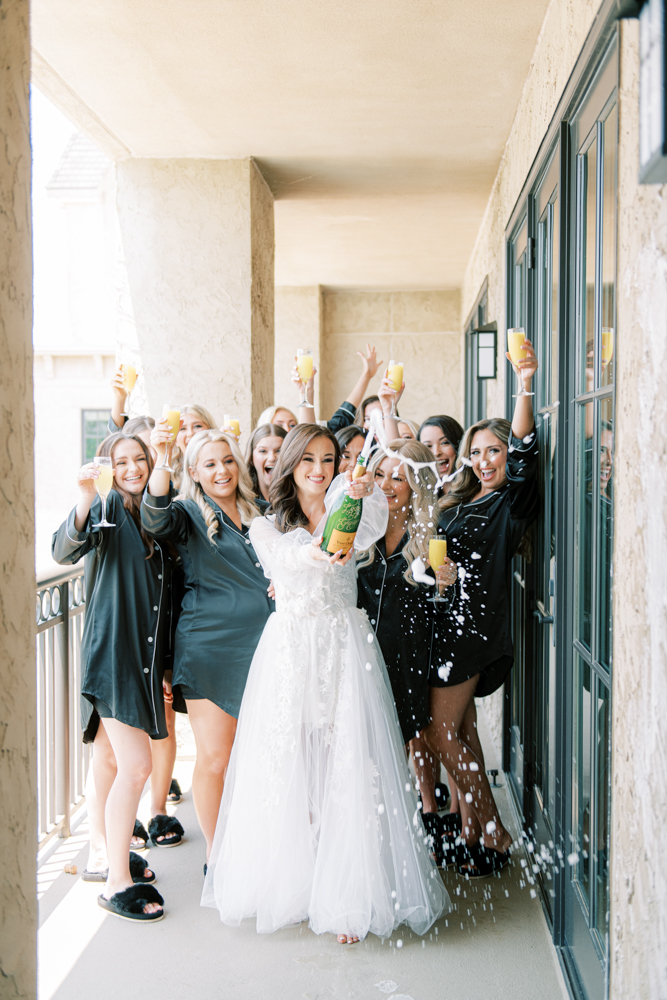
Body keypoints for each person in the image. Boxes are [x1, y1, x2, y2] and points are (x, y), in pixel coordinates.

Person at [202, 424, 450, 943]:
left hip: (344, 646)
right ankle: (302, 879)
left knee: (348, 762)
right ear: (290, 465)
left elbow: (372, 524)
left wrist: (364, 494)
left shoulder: (350, 504)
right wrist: (312, 554)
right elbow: (286, 557)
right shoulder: (266, 524)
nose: (319, 468)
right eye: (308, 459)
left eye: (328, 458)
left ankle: (347, 895)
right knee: (296, 758)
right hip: (291, 650)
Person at [424, 339, 539, 878]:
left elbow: (524, 455)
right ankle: (473, 832)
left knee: (441, 732)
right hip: (444, 621)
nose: (485, 460)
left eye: (494, 451)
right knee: (461, 730)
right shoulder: (461, 494)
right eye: (479, 452)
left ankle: (494, 831)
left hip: (472, 629)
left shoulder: (509, 503)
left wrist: (524, 384)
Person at [52, 432, 172, 923]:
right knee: (137, 766)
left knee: (107, 756)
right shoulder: (103, 510)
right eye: (120, 461)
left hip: (143, 658)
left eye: (137, 459)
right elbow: (63, 550)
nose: (129, 468)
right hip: (112, 655)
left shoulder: (160, 513)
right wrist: (84, 496)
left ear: (150, 462)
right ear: (110, 466)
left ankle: (107, 851)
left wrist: (165, 662)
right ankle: (116, 881)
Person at [141, 429, 273, 865]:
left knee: (249, 755)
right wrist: (163, 458)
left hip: (264, 648)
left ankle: (247, 844)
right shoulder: (186, 511)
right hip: (210, 649)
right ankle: (217, 859)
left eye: (228, 461)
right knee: (215, 757)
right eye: (210, 464)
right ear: (194, 471)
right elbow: (154, 519)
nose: (222, 471)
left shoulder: (260, 511)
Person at [356, 439, 457, 747]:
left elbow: (441, 615)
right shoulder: (356, 527)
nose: (385, 485)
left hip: (404, 663)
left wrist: (445, 587)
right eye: (379, 475)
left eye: (398, 478)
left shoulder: (432, 541)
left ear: (416, 486)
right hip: (356, 656)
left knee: (392, 749)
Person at [296, 343, 384, 433]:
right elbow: (345, 413)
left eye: (382, 418)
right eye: (367, 419)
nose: (375, 424)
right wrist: (306, 391)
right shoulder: (350, 440)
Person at [245, 423, 287, 503]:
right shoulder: (243, 500)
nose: (272, 458)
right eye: (263, 451)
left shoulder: (299, 498)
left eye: (279, 451)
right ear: (251, 458)